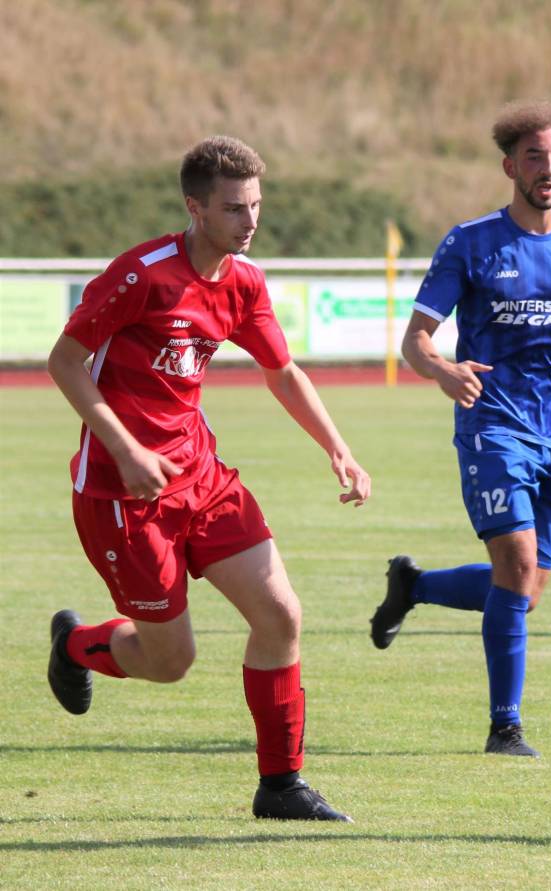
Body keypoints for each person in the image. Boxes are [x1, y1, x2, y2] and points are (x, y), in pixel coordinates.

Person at [45, 135, 370, 822]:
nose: (250, 221)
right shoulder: (141, 275)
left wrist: (337, 447)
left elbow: (281, 371)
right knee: (169, 661)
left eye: (255, 205)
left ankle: (280, 785)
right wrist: (128, 450)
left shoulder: (244, 281)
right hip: (122, 494)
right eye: (233, 209)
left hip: (203, 478)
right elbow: (65, 360)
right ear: (194, 208)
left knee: (281, 614)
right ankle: (76, 644)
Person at [369, 101, 551, 758]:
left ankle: (416, 586)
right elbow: (415, 340)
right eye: (535, 156)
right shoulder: (471, 241)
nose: (549, 167)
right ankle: (504, 726)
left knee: (526, 590)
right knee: (513, 564)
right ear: (510, 166)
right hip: (492, 425)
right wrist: (446, 371)